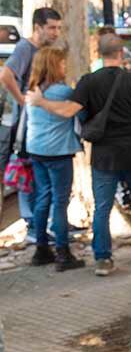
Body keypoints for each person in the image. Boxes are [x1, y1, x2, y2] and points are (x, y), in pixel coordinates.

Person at [26, 34, 131, 277]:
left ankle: (103, 259)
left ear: (99, 54)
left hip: (104, 155)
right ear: (121, 52)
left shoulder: (88, 82)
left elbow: (68, 111)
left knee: (102, 207)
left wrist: (41, 103)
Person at [0, 7, 62, 243]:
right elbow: (6, 75)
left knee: (37, 179)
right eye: (51, 28)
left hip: (39, 124)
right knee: (26, 174)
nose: (56, 32)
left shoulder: (44, 49)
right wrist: (23, 101)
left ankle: (41, 225)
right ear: (38, 27)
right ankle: (32, 226)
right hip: (25, 126)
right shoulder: (26, 47)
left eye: (58, 28)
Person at [23, 47, 85, 271]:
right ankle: (63, 252)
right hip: (58, 152)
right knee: (60, 201)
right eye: (61, 63)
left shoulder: (32, 89)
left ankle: (41, 249)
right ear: (52, 66)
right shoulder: (62, 92)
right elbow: (75, 111)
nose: (64, 67)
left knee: (42, 198)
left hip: (37, 149)